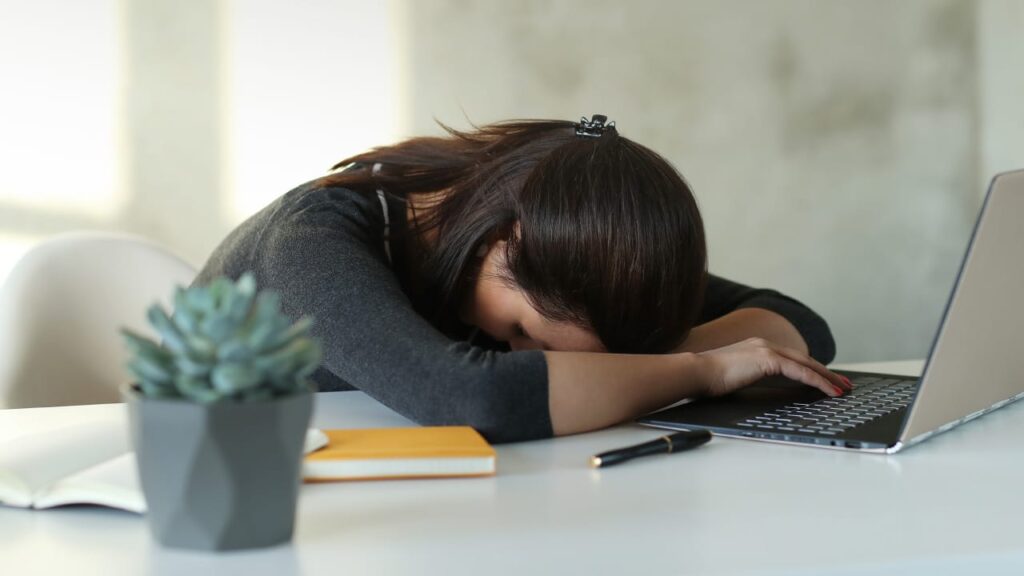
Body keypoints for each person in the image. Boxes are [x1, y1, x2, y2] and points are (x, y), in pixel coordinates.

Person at [195, 115, 849, 443]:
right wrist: (699, 370)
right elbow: (465, 399)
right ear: (500, 241)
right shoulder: (313, 242)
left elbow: (796, 322)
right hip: (223, 499)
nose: (527, 359)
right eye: (522, 333)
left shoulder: (562, 249)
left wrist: (639, 358)